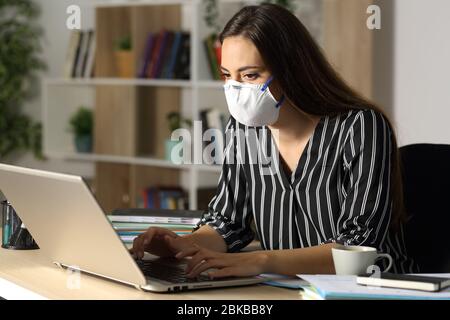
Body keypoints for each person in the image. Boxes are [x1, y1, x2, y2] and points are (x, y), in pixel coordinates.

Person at [130, 3, 418, 278]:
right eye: (228, 76)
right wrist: (183, 246)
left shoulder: (360, 127)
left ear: (291, 70)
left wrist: (260, 260)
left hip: (370, 288)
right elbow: (227, 222)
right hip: (284, 289)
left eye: (251, 75)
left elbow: (357, 249)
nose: (237, 90)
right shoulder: (244, 129)